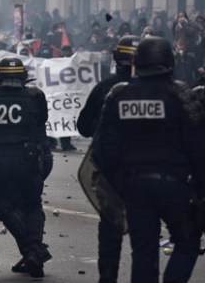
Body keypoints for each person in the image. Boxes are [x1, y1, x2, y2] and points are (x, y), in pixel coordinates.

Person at [95, 36, 205, 283]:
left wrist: (120, 184)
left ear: (137, 63)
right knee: (188, 243)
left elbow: (104, 148)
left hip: (134, 186)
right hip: (174, 184)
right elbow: (198, 147)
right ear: (170, 62)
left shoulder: (120, 95)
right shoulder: (180, 95)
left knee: (143, 252)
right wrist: (199, 190)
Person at [0, 57, 51, 280]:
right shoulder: (35, 95)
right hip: (27, 159)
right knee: (32, 207)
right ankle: (34, 252)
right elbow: (41, 120)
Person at [77, 35, 139, 283]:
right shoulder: (161, 90)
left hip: (111, 173)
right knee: (144, 237)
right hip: (145, 172)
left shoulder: (106, 88)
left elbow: (83, 127)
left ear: (115, 59)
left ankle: (108, 278)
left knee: (110, 231)